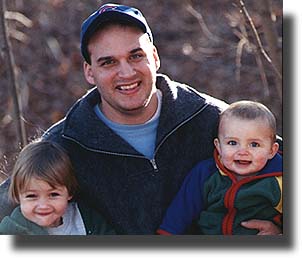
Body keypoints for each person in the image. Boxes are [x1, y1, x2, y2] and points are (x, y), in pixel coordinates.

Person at [0, 3, 282, 234]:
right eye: (108, 62)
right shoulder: (66, 142)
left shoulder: (211, 118)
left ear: (155, 58)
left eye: (136, 56)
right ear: (88, 71)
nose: (126, 73)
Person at [157, 101, 282, 235]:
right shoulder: (205, 173)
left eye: (254, 144)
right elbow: (182, 210)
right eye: (232, 143)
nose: (243, 151)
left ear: (271, 151)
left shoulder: (279, 180)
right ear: (218, 146)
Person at [0, 140, 115, 235]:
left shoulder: (86, 219)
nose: (43, 205)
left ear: (69, 193)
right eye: (32, 196)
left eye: (53, 195)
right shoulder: (13, 230)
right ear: (17, 195)